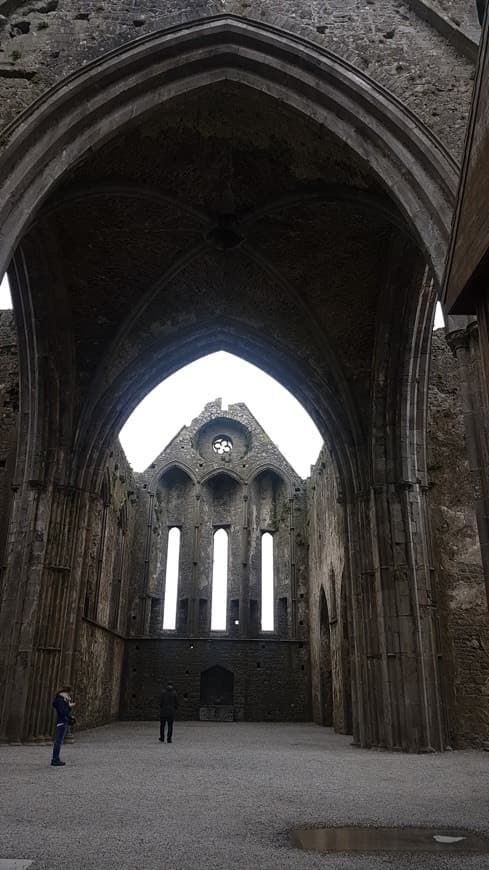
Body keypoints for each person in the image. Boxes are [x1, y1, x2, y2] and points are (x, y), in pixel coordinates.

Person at [51, 684, 75, 766]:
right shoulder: (61, 700)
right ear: (66, 692)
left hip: (62, 721)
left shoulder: (62, 699)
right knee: (58, 741)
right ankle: (55, 759)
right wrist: (69, 706)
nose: (70, 695)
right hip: (61, 722)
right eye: (69, 693)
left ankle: (55, 759)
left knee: (59, 741)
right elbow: (62, 712)